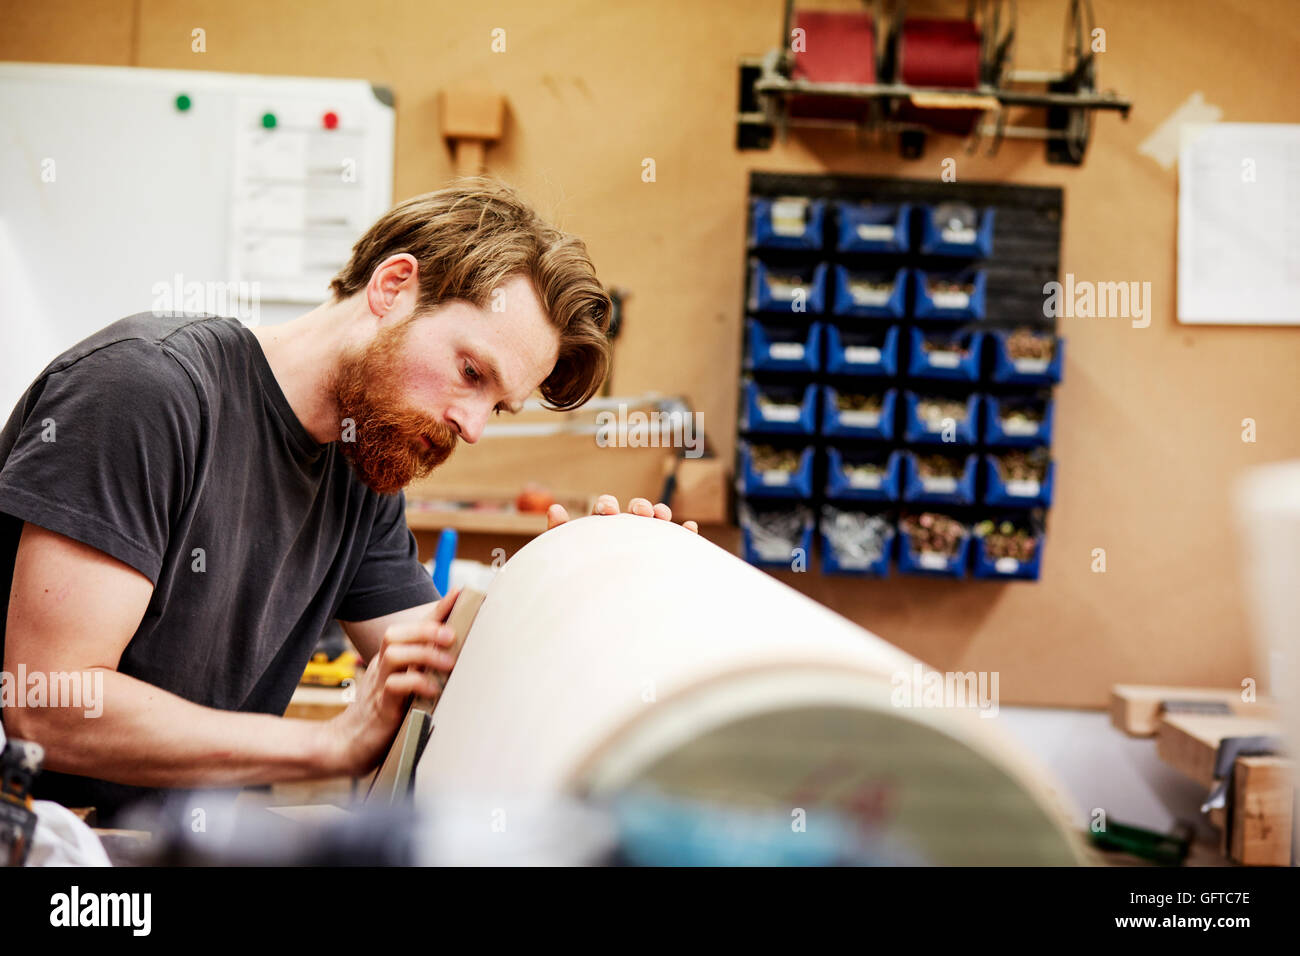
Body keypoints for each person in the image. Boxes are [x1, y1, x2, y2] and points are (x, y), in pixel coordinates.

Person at [0, 177, 696, 823]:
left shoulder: (361, 470)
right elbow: (49, 705)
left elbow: (445, 676)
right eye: (470, 371)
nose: (474, 427)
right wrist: (327, 746)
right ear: (393, 286)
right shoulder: (148, 391)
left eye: (498, 406)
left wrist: (598, 593)